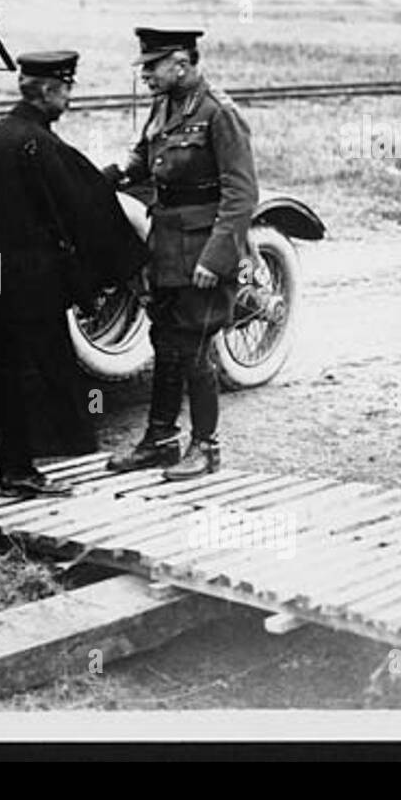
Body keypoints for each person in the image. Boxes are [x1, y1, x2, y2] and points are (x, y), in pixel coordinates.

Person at [0, 51, 149, 498]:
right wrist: (124, 263)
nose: (70, 98)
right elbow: (83, 202)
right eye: (66, 89)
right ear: (46, 92)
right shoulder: (40, 143)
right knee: (32, 373)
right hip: (27, 283)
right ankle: (21, 472)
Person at [102, 29, 258, 478]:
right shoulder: (165, 105)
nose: (145, 74)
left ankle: (206, 447)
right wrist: (107, 175)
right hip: (166, 246)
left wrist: (217, 258)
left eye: (152, 66)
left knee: (194, 348)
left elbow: (241, 195)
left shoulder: (219, 114)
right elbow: (141, 158)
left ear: (182, 63)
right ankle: (160, 440)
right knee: (165, 343)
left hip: (203, 252)